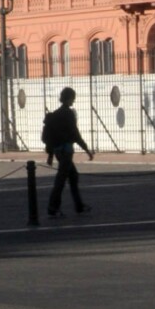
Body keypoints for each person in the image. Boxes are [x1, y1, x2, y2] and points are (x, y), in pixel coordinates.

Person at [43, 86, 94, 216]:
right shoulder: (68, 114)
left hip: (58, 151)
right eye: (73, 98)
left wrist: (50, 155)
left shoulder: (55, 114)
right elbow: (75, 134)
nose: (73, 101)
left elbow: (51, 136)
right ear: (69, 98)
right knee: (61, 179)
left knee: (73, 176)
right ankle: (53, 207)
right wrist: (86, 149)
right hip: (66, 150)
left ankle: (78, 205)